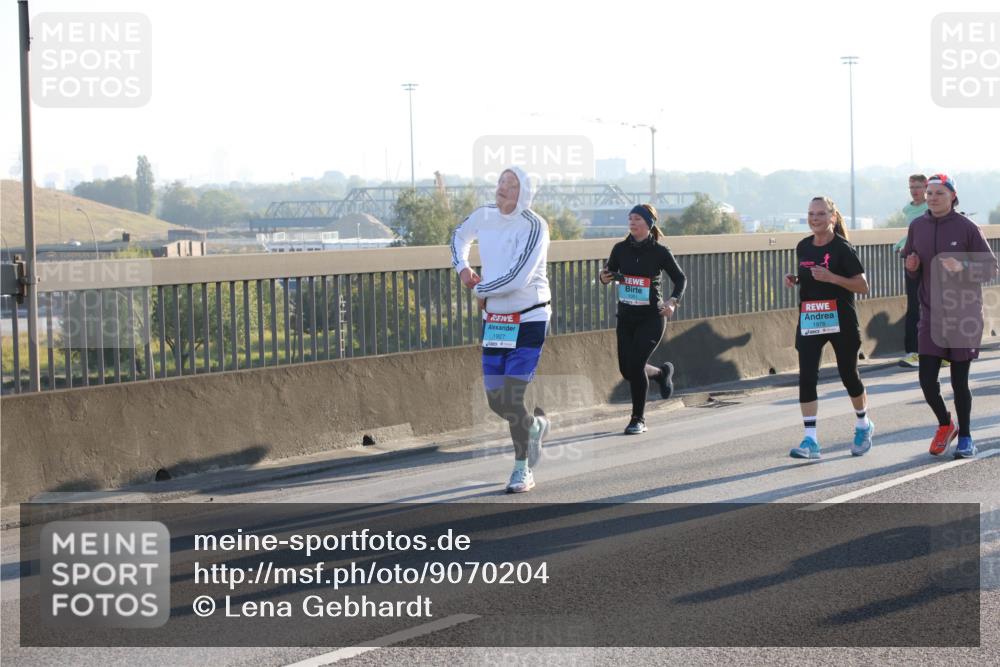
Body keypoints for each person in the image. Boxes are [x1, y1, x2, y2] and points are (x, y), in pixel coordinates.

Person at [451, 166, 552, 493]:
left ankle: (522, 469)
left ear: (524, 192)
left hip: (529, 317)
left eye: (511, 184)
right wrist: (463, 268)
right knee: (497, 400)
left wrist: (481, 290)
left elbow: (519, 277)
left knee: (513, 394)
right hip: (496, 321)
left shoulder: (535, 226)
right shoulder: (484, 215)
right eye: (500, 182)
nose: (502, 188)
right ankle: (535, 425)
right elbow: (458, 236)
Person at [902, 174, 998, 458]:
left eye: (939, 193)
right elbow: (913, 270)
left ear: (953, 196)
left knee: (959, 381)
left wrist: (964, 266)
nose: (932, 198)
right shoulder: (916, 226)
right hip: (931, 314)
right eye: (929, 193)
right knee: (926, 379)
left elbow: (991, 269)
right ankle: (946, 423)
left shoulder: (967, 227)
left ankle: (966, 436)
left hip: (963, 314)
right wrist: (912, 265)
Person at [784, 197, 874, 459]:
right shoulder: (803, 246)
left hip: (841, 320)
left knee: (848, 375)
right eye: (811, 213)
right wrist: (796, 279)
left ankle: (863, 423)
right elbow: (811, 275)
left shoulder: (842, 248)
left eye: (821, 214)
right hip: (811, 318)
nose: (815, 218)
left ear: (832, 217)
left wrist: (833, 277)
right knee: (807, 377)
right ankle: (810, 441)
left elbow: (862, 285)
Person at [599, 204, 686, 435]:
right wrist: (604, 276)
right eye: (630, 218)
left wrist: (672, 302)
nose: (632, 222)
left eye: (637, 218)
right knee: (627, 371)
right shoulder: (619, 248)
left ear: (649, 223)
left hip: (652, 317)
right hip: (626, 317)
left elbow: (680, 279)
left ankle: (638, 419)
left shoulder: (660, 251)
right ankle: (660, 373)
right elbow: (607, 273)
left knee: (636, 365)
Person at [892, 174, 929, 368]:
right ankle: (914, 352)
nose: (915, 190)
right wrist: (899, 245)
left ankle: (942, 350)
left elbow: (923, 234)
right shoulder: (909, 211)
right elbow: (911, 234)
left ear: (926, 188)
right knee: (914, 306)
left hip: (929, 262)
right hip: (912, 261)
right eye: (911, 187)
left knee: (934, 306)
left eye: (918, 186)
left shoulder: (931, 209)